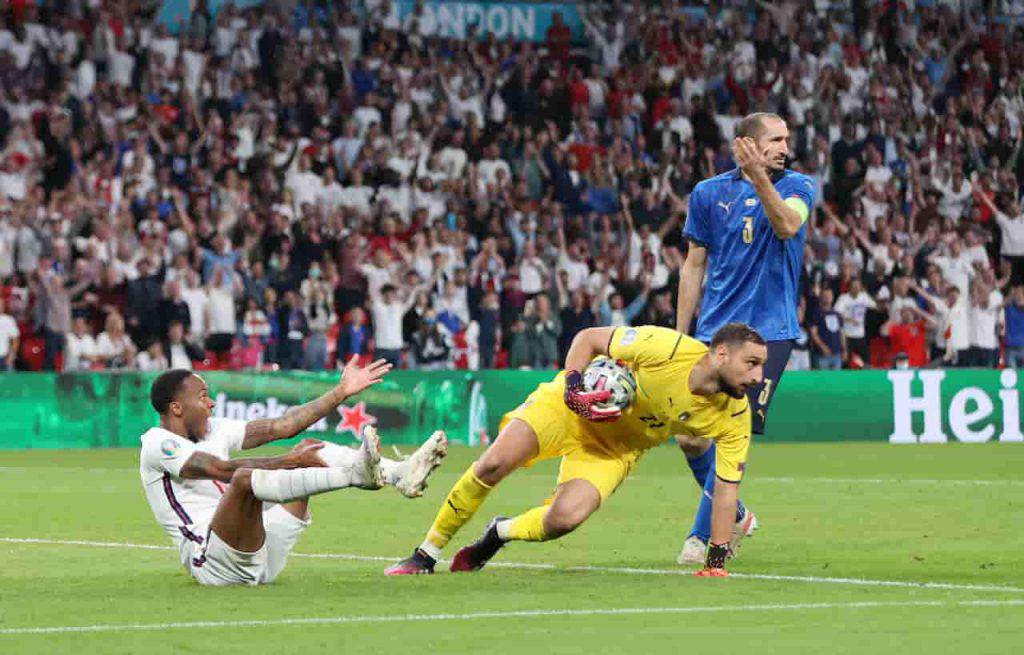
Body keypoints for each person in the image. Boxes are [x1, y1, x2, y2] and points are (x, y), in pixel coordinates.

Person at [385, 323, 765, 578]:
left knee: (563, 519)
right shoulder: (667, 348)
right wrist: (572, 387)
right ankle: (425, 554)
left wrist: (716, 562)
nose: (757, 377)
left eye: (760, 366)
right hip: (569, 408)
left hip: (616, 448)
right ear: (719, 355)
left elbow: (726, 488)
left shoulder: (734, 415)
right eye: (751, 363)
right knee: (493, 464)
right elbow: (587, 339)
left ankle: (498, 533)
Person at [140, 357, 448, 587]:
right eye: (203, 396)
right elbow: (220, 469)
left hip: (261, 548)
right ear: (177, 408)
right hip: (216, 562)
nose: (211, 404)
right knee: (243, 478)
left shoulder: (214, 430)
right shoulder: (157, 444)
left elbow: (283, 426)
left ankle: (399, 474)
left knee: (310, 447)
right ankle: (356, 476)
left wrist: (341, 392)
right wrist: (288, 460)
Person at [674, 112, 816, 564]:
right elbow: (694, 264)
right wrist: (679, 336)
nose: (784, 146)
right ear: (748, 144)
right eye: (774, 139)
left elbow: (787, 226)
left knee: (735, 428)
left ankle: (701, 538)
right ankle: (735, 512)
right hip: (715, 328)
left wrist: (760, 179)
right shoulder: (707, 193)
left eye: (787, 139)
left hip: (769, 332)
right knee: (690, 437)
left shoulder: (798, 187)